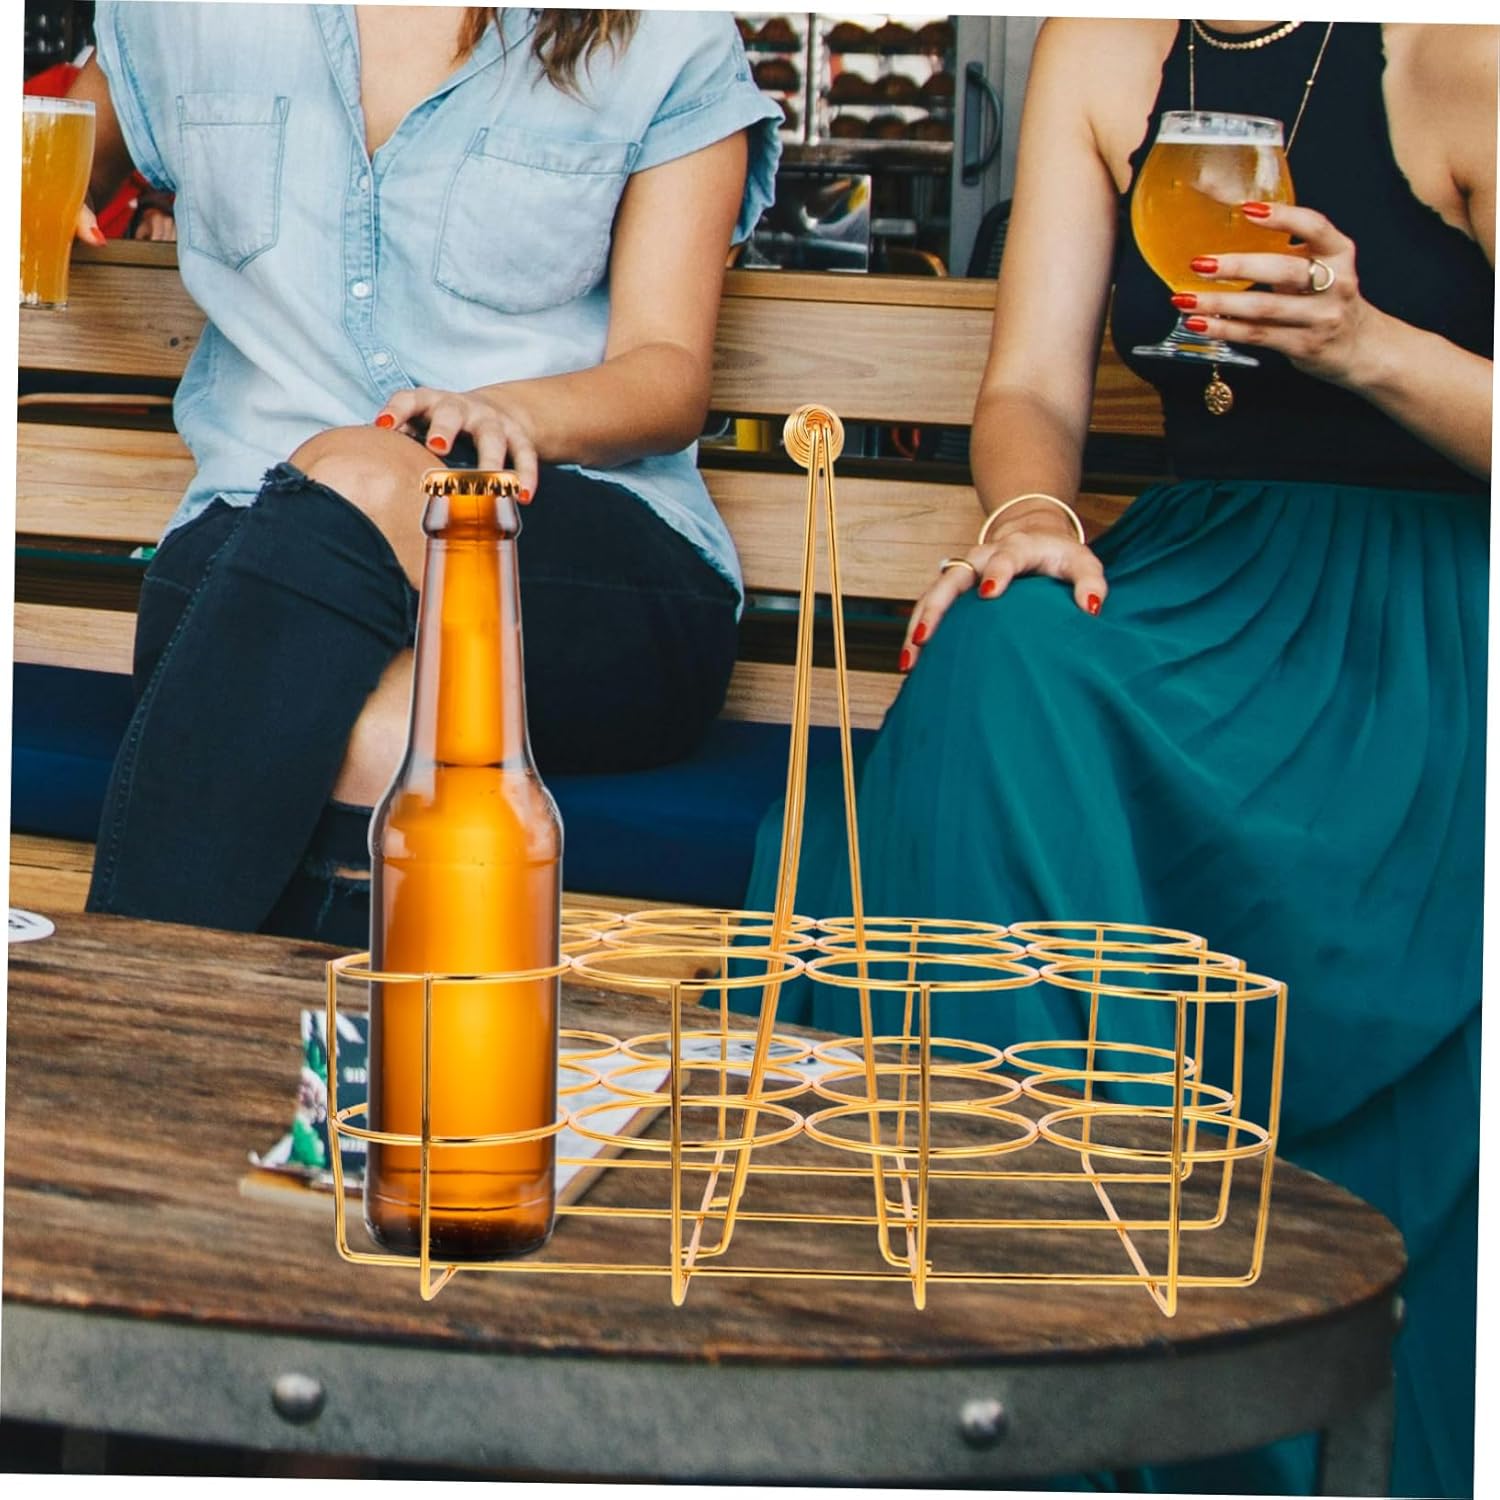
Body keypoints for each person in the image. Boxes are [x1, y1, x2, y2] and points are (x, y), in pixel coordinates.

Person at [745, 19, 1491, 1497]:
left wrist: (1364, 345)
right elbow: (1031, 388)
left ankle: (1206, 1383)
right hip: (1200, 577)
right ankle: (1019, 1357)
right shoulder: (1098, 51)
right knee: (998, 654)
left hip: (1418, 614)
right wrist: (1032, 516)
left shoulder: (1456, 57)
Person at [69, 4, 780, 944]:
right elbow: (60, 151)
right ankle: (325, 1044)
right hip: (248, 557)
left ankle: (123, 1001)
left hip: (568, 558)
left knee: (369, 489)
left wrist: (510, 412)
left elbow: (668, 373)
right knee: (378, 719)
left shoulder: (660, 33)